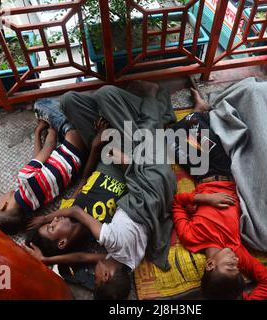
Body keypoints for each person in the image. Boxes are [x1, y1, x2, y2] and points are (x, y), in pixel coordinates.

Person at [24, 80, 176, 300]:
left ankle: (145, 115)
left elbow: (85, 179)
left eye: (48, 223)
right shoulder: (103, 239)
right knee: (108, 97)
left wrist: (95, 145)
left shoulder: (116, 252)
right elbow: (82, 254)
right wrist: (45, 218)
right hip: (133, 164)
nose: (52, 221)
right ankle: (155, 106)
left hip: (106, 153)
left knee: (70, 101)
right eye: (51, 228)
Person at [169, 90, 267, 300]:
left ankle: (200, 114)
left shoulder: (191, 238)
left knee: (172, 136)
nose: (235, 263)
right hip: (224, 170)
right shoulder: (236, 250)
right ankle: (201, 112)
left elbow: (176, 204)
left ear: (210, 265)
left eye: (230, 267)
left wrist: (204, 199)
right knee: (191, 125)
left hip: (200, 175)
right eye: (237, 268)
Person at [0, 101, 94, 235]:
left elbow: (38, 158)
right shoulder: (25, 178)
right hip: (73, 138)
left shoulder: (36, 203)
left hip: (81, 156)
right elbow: (50, 145)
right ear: (4, 205)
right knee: (41, 105)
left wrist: (38, 132)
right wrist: (52, 129)